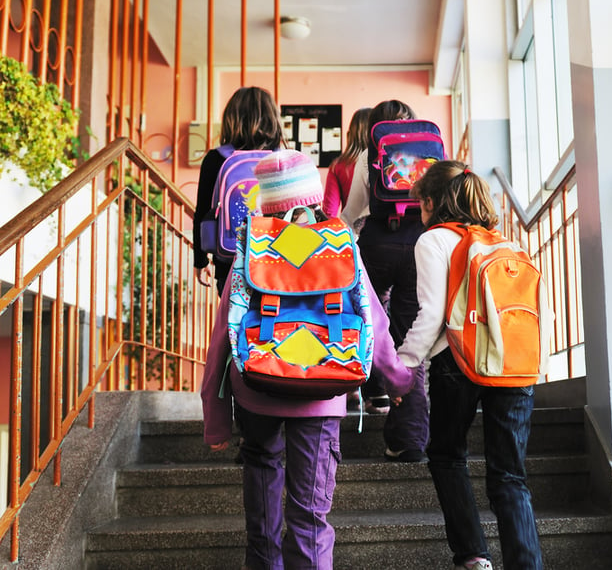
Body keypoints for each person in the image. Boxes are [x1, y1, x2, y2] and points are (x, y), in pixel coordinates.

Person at [201, 149, 415, 570]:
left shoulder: (251, 246)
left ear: (266, 203)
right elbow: (374, 320)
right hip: (324, 386)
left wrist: (216, 418)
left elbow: (221, 336)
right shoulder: (341, 245)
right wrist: (398, 381)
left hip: (257, 386)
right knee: (311, 518)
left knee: (262, 517)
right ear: (314, 198)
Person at [397, 160, 543, 570]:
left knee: (446, 455)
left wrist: (404, 366)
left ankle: (474, 556)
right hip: (514, 365)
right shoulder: (509, 245)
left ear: (431, 201)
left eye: (420, 205)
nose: (419, 214)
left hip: (456, 360)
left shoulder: (433, 241)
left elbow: (430, 318)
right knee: (510, 477)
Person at [341, 99, 429, 457]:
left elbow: (351, 213)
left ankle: (373, 386)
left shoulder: (368, 155)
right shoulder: (427, 152)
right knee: (411, 338)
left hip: (377, 244)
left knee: (368, 322)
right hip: (420, 245)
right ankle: (408, 439)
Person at [193, 86, 284, 295]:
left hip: (229, 261)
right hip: (275, 260)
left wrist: (199, 260)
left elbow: (201, 212)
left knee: (234, 326)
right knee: (273, 324)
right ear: (273, 119)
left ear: (231, 118)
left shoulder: (216, 159)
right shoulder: (283, 159)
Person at [322, 106, 371, 221]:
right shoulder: (384, 164)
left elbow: (329, 213)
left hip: (351, 232)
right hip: (379, 231)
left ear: (351, 134)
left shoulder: (338, 166)